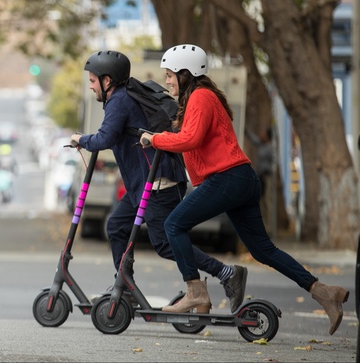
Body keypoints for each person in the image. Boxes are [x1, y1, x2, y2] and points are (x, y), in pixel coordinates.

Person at [140, 44, 349, 334]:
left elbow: (190, 139)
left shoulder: (201, 96)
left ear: (186, 73)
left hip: (227, 179)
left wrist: (156, 139)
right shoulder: (199, 98)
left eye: (170, 75)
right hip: (239, 179)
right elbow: (193, 140)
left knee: (172, 225)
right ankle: (324, 292)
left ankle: (195, 291)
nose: (167, 80)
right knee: (263, 250)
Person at [69, 50, 248, 311]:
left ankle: (226, 273)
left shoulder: (120, 100)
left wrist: (80, 139)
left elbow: (104, 138)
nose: (91, 85)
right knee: (117, 227)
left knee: (165, 243)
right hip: (142, 185)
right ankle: (125, 286)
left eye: (93, 80)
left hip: (158, 183)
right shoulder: (125, 94)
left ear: (107, 81)